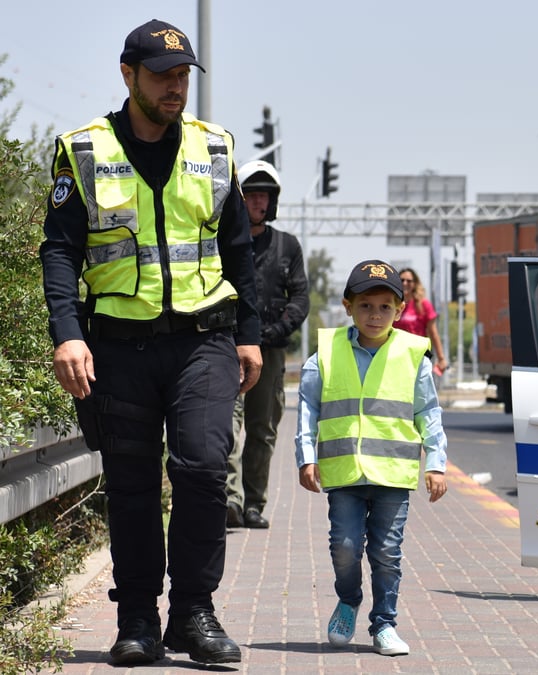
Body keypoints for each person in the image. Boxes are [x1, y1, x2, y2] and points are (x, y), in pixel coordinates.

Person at [39, 19, 261, 666]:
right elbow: (59, 251)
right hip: (118, 346)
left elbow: (238, 250)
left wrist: (250, 337)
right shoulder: (83, 151)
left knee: (201, 467)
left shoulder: (214, 147)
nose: (176, 88)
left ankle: (193, 612)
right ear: (127, 74)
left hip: (204, 341)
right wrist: (66, 335)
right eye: (163, 76)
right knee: (131, 484)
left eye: (184, 76)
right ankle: (137, 616)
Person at [296, 260, 448, 656]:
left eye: (385, 306)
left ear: (400, 310)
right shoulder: (325, 354)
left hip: (393, 475)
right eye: (366, 305)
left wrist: (435, 462)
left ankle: (384, 625)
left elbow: (428, 413)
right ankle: (349, 599)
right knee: (344, 546)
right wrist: (306, 456)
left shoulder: (415, 356)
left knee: (386, 552)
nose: (375, 315)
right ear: (348, 307)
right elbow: (307, 410)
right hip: (344, 472)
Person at [226, 160, 309, 530]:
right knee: (225, 427)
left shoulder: (288, 246)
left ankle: (254, 504)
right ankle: (228, 500)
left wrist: (275, 331)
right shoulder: (222, 241)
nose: (259, 202)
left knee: (263, 428)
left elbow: (301, 298)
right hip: (226, 349)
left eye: (265, 196)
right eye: (252, 195)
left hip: (271, 354)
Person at [392, 268, 449, 375]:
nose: (405, 283)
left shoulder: (424, 305)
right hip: (396, 355)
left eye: (409, 281)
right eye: (402, 280)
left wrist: (441, 358)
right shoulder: (392, 305)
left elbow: (434, 333)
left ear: (415, 283)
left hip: (418, 355)